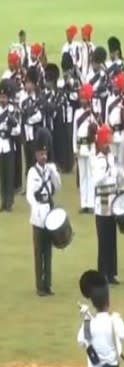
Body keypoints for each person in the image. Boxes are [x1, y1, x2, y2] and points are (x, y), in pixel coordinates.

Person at [26, 128, 61, 296]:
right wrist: (35, 208)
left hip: (48, 210)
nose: (44, 157)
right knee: (38, 252)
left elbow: (57, 188)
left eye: (45, 154)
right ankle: (39, 286)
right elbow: (29, 195)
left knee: (48, 251)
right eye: (41, 154)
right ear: (36, 155)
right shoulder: (32, 172)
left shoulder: (49, 169)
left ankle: (48, 284)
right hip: (38, 213)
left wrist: (55, 174)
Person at [93, 125, 123, 285]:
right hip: (102, 204)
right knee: (103, 242)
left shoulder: (111, 157)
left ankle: (112, 273)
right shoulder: (98, 160)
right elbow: (97, 180)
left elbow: (116, 176)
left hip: (113, 202)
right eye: (106, 143)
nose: (108, 146)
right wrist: (108, 172)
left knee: (112, 240)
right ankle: (103, 273)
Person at [73, 83, 97, 213]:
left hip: (90, 147)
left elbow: (97, 131)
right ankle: (84, 203)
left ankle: (91, 203)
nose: (82, 100)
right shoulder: (77, 113)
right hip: (81, 147)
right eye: (81, 98)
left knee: (91, 176)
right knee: (82, 176)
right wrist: (74, 149)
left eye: (84, 98)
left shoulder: (93, 113)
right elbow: (74, 132)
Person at [0, 79, 18, 211]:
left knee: (9, 175)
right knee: (2, 176)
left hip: (8, 146)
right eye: (1, 97)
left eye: (4, 97)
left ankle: (9, 202)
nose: (2, 99)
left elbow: (17, 130)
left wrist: (9, 130)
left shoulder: (12, 111)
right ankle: (3, 201)